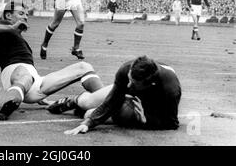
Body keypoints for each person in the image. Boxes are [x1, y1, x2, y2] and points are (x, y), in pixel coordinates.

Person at [0, 0, 104, 120]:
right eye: (21, 13)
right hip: (15, 75)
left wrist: (39, 98)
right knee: (24, 73)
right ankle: (6, 109)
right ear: (8, 16)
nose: (25, 16)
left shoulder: (16, 36)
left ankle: (103, 102)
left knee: (84, 67)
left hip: (36, 82)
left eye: (26, 14)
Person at [47, 55, 181, 134]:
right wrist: (89, 123)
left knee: (90, 113)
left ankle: (83, 104)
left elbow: (172, 123)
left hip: (150, 107)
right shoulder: (127, 69)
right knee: (87, 103)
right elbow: (113, 100)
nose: (128, 86)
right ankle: (73, 101)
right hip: (132, 93)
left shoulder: (170, 90)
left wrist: (147, 120)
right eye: (129, 79)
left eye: (133, 84)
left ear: (149, 84)